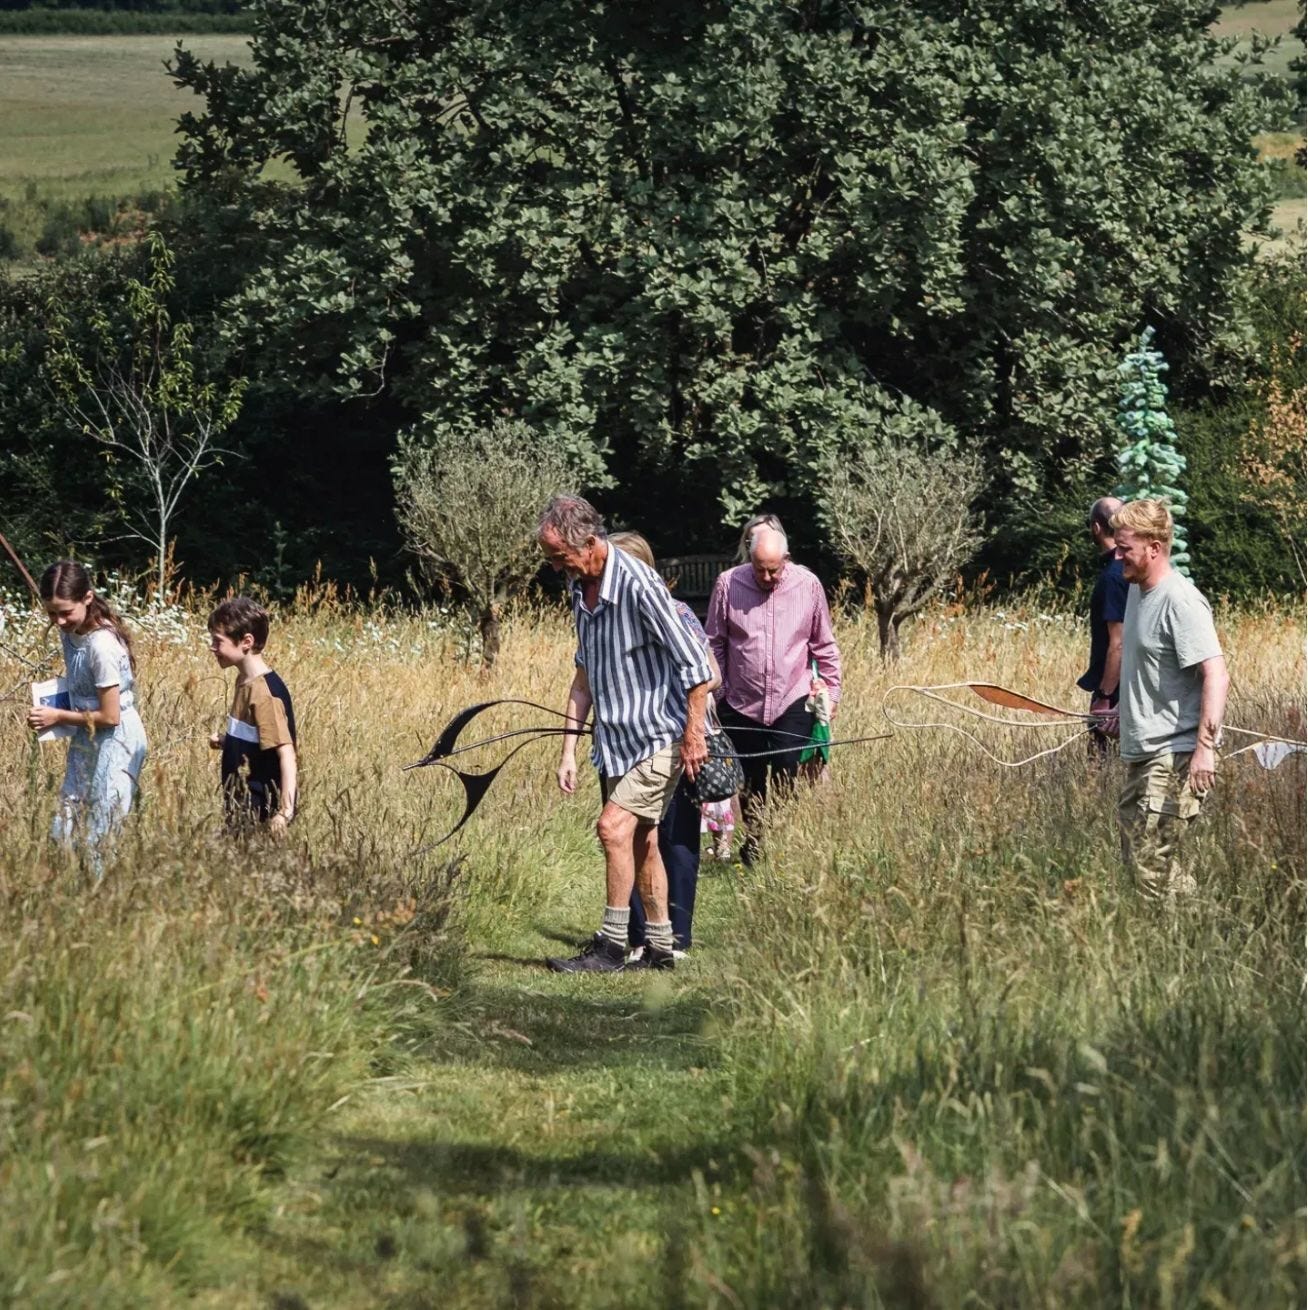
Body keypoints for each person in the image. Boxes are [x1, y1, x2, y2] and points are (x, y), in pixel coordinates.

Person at [541, 497, 713, 973]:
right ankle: (660, 948)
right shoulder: (580, 590)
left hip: (660, 736)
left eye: (560, 556)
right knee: (643, 843)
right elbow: (586, 678)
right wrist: (569, 751)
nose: (557, 567)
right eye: (551, 559)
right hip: (615, 743)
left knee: (611, 828)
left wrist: (693, 735)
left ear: (590, 542)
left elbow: (697, 667)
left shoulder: (639, 584)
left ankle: (611, 946)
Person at [609, 530, 720, 958]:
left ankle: (677, 937)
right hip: (623, 740)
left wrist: (684, 711)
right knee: (628, 836)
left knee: (674, 837)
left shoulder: (675, 613)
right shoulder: (607, 614)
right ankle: (639, 936)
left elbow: (711, 674)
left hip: (672, 739)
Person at [1112, 500, 1229, 903]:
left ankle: (1178, 945)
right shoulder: (1136, 590)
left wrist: (1205, 751)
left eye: (1125, 547)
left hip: (1173, 755)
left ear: (1154, 548)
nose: (1117, 554)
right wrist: (1120, 709)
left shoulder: (1180, 601)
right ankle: (1189, 939)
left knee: (1152, 864)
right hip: (1144, 754)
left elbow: (1216, 673)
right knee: (1145, 859)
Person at [706, 521, 841, 864]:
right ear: (749, 558)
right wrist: (718, 693)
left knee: (786, 769)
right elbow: (715, 643)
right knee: (750, 778)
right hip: (740, 701)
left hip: (792, 698)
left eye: (774, 570)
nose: (766, 578)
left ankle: (777, 838)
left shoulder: (808, 585)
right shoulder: (728, 584)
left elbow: (824, 645)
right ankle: (754, 840)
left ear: (787, 559)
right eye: (759, 569)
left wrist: (833, 693)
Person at [25, 560, 148, 862]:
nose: (59, 621)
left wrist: (57, 716)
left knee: (99, 836)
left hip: (116, 740)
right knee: (65, 827)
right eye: (51, 613)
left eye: (66, 612)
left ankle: (102, 899)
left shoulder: (102, 646)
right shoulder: (71, 630)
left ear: (88, 598)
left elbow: (110, 716)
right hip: (87, 737)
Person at [207, 597, 298, 836]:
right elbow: (260, 741)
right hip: (238, 807)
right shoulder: (244, 681)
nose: (212, 647)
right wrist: (229, 742)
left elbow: (286, 754)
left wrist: (285, 812)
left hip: (259, 813)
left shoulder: (264, 693)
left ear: (246, 641)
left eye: (218, 641)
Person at [1076, 496, 1127, 753]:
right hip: (1124, 684)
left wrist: (1105, 697)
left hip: (1116, 690)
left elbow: (1118, 643)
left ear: (1096, 528)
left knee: (1100, 762)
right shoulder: (1126, 570)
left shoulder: (1113, 577)